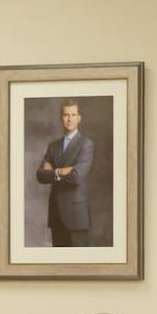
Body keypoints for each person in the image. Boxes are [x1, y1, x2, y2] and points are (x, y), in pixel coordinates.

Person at [35, 99, 95, 247]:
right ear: (61, 117)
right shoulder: (53, 146)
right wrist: (61, 171)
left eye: (73, 114)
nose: (69, 119)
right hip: (56, 215)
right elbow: (40, 175)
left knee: (79, 265)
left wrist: (53, 173)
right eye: (66, 115)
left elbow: (76, 177)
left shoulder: (86, 144)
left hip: (76, 217)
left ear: (79, 118)